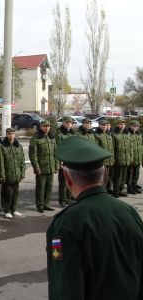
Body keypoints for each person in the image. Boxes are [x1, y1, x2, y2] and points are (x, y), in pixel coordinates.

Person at [47, 136, 143, 299]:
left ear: (67, 178)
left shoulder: (65, 224)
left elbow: (65, 286)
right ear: (105, 174)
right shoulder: (129, 212)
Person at [29, 120, 58, 213]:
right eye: (45, 126)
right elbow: (33, 155)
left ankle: (46, 204)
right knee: (40, 188)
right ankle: (40, 205)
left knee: (49, 187)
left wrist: (56, 166)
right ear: (41, 127)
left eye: (48, 126)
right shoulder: (36, 139)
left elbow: (56, 153)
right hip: (41, 168)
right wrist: (37, 168)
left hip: (50, 167)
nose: (47, 128)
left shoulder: (52, 138)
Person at [1, 128, 25, 218]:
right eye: (9, 133)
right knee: (7, 194)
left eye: (12, 133)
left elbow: (22, 160)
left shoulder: (18, 146)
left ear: (14, 134)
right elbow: (1, 162)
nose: (11, 135)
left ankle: (13, 209)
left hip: (16, 174)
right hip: (7, 174)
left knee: (15, 194)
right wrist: (2, 175)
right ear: (6, 135)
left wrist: (22, 173)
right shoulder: (2, 146)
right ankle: (6, 210)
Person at [55, 116, 75, 207]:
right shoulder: (59, 134)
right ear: (63, 123)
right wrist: (59, 161)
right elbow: (58, 148)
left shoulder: (72, 134)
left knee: (70, 181)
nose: (69, 124)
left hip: (71, 160)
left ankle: (68, 198)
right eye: (67, 123)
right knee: (63, 182)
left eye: (70, 123)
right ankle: (62, 200)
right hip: (63, 161)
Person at [94, 119, 115, 193]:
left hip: (109, 160)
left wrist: (112, 159)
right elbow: (96, 149)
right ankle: (100, 193)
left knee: (106, 178)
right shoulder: (97, 135)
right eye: (103, 125)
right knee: (100, 179)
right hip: (102, 161)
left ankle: (104, 192)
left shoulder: (108, 134)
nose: (105, 127)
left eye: (106, 125)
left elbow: (112, 148)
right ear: (99, 125)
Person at [112, 119, 131, 198]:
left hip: (126, 159)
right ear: (117, 125)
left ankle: (121, 190)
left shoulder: (127, 134)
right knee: (118, 176)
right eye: (120, 124)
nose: (122, 126)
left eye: (123, 124)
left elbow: (130, 147)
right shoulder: (114, 135)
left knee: (123, 176)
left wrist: (130, 157)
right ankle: (115, 191)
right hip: (118, 159)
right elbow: (112, 148)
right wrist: (113, 159)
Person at [127, 120, 142, 194]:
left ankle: (134, 185)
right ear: (131, 126)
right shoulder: (128, 134)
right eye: (135, 126)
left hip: (138, 157)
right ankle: (129, 187)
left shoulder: (138, 134)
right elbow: (128, 148)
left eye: (137, 126)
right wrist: (130, 158)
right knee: (130, 173)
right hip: (132, 158)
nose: (136, 127)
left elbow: (140, 147)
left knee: (136, 173)